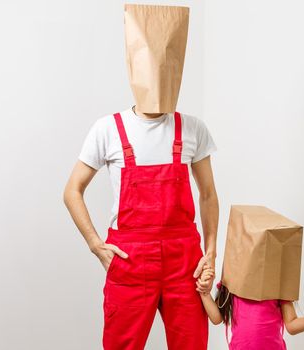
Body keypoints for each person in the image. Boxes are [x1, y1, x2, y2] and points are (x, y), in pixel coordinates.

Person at [63, 105, 218, 350]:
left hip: (184, 261)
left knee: (191, 345)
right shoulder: (108, 129)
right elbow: (72, 191)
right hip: (130, 260)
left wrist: (211, 253)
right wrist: (95, 244)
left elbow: (208, 194)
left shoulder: (192, 128)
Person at [197, 265, 304, 350]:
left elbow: (291, 325)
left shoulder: (277, 283)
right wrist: (205, 293)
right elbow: (217, 318)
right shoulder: (233, 280)